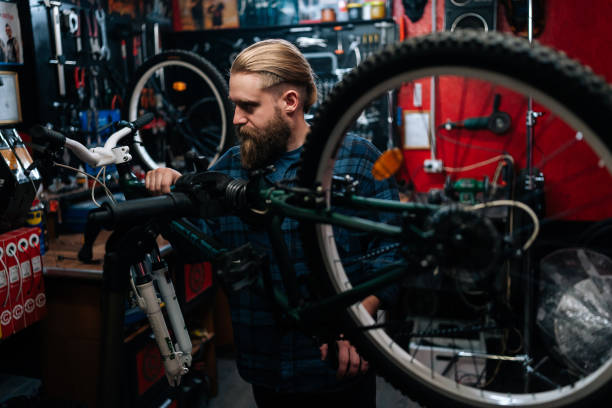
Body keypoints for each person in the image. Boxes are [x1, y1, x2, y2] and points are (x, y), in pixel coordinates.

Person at [145, 39, 399, 407]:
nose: (235, 118)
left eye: (248, 106)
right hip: (268, 370)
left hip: (339, 368)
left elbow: (391, 257)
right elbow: (200, 246)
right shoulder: (231, 167)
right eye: (235, 104)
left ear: (290, 102)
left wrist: (356, 321)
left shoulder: (356, 160)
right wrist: (170, 200)